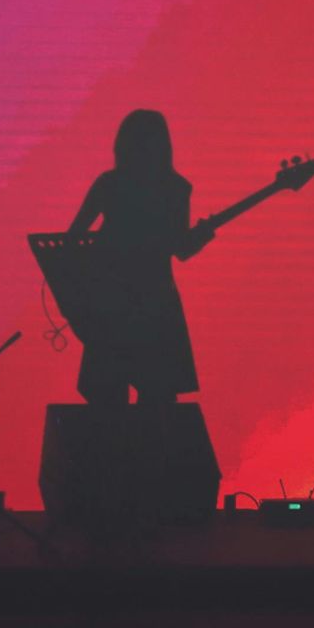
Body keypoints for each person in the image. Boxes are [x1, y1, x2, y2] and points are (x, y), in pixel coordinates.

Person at [67, 110, 212, 407]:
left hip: (113, 300)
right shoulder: (175, 187)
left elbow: (73, 240)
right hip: (155, 300)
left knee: (108, 398)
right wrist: (203, 234)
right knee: (157, 398)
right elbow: (181, 249)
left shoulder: (110, 183)